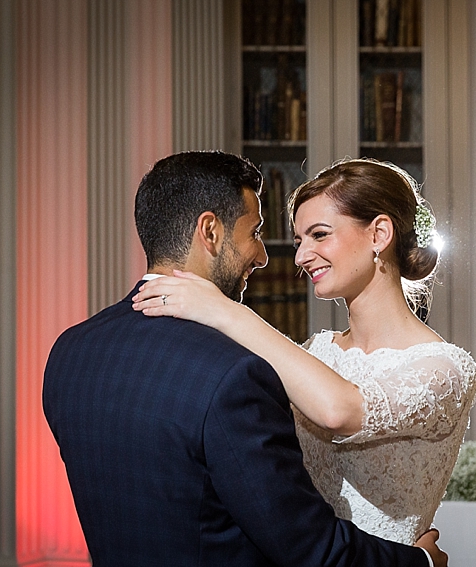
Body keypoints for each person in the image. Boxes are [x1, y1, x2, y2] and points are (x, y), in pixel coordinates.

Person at [43, 151, 445, 567]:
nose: (265, 256)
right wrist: (420, 563)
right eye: (255, 232)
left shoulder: (70, 353)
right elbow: (306, 545)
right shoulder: (235, 374)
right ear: (211, 232)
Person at [132, 157, 476, 546]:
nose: (300, 257)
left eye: (319, 235)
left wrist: (225, 311)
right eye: (299, 241)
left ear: (379, 233)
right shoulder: (316, 351)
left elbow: (340, 411)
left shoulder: (445, 368)